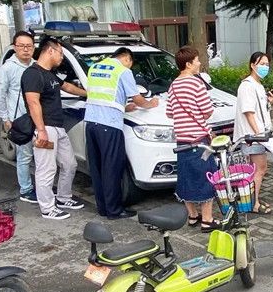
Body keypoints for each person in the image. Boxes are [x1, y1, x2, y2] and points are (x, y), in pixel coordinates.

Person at [84, 47, 159, 220]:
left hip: (91, 124)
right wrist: (150, 103)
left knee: (98, 168)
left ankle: (103, 208)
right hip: (109, 125)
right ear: (127, 58)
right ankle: (114, 210)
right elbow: (138, 98)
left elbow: (101, 96)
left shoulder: (95, 68)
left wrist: (124, 107)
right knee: (112, 167)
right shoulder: (123, 71)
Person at [22, 36, 87, 220]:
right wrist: (41, 130)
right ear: (50, 50)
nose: (61, 57)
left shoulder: (49, 73)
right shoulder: (32, 74)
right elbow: (33, 102)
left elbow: (67, 87)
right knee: (46, 169)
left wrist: (90, 93)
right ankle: (48, 208)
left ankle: (64, 198)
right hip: (45, 128)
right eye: (60, 53)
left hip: (58, 127)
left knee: (69, 164)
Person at [166, 46, 220, 233]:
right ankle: (207, 219)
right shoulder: (197, 84)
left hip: (182, 141)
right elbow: (207, 111)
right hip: (199, 140)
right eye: (197, 60)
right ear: (188, 64)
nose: (199, 63)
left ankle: (192, 215)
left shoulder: (173, 86)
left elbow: (169, 113)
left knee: (186, 177)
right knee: (208, 177)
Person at [0, 31, 37, 203]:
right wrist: (5, 119)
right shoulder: (8, 68)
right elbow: (0, 95)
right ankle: (26, 189)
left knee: (40, 155)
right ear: (14, 47)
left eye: (29, 46)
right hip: (19, 121)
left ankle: (41, 187)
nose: (26, 50)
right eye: (22, 46)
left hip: (38, 118)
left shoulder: (36, 65)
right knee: (24, 155)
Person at [233, 51, 273, 214]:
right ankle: (254, 203)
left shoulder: (257, 85)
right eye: (262, 64)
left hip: (257, 136)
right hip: (253, 137)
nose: (265, 67)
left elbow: (259, 111)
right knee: (260, 168)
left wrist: (269, 103)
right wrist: (259, 134)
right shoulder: (247, 86)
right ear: (252, 65)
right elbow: (248, 112)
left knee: (253, 169)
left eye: (267, 64)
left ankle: (251, 198)